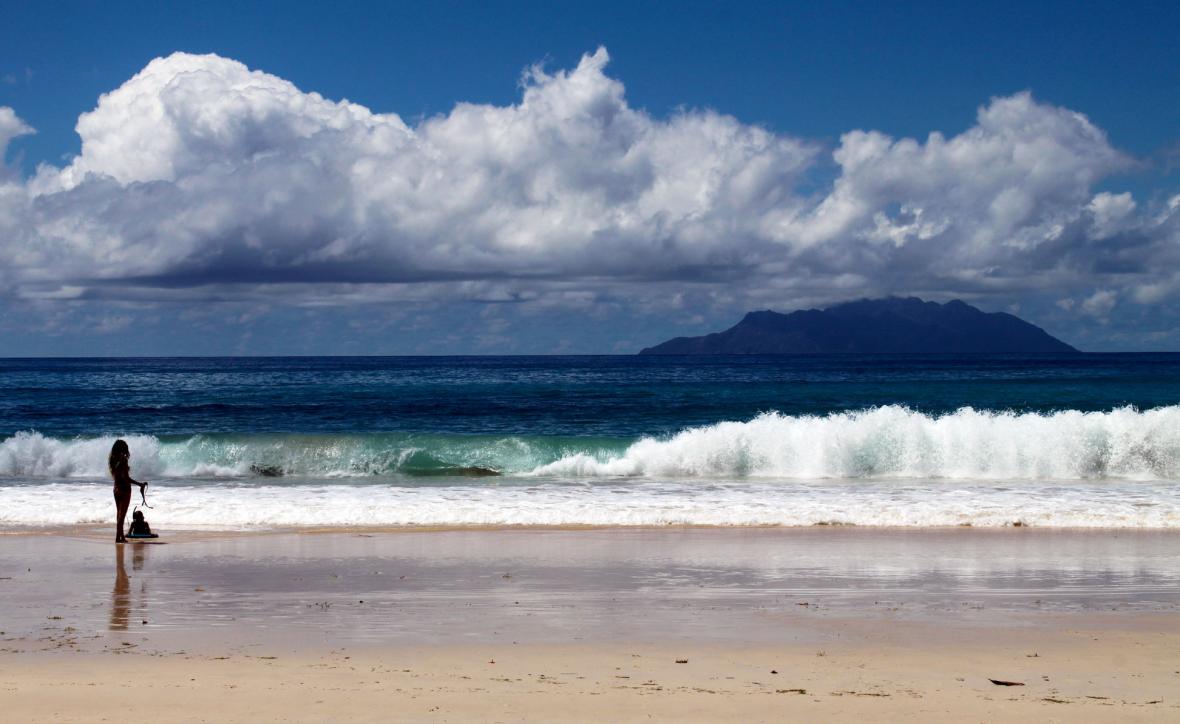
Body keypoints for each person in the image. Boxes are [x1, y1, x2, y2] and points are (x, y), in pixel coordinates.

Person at [109, 439, 147, 543]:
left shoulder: (112, 459)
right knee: (122, 515)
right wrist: (140, 484)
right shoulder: (123, 460)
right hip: (124, 489)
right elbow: (126, 478)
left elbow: (118, 476)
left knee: (119, 514)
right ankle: (119, 538)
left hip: (116, 489)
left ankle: (119, 537)